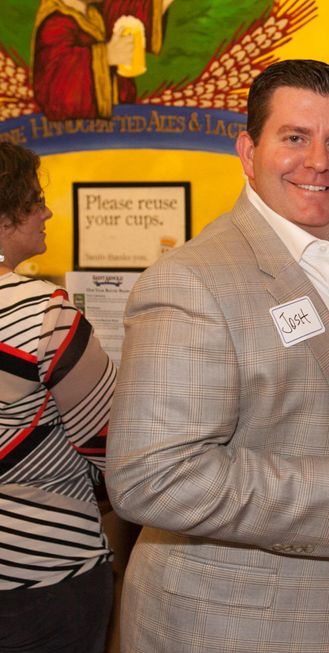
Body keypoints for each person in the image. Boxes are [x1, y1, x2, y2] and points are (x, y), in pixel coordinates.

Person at [106, 59, 329, 652]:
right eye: (294, 138)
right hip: (221, 626)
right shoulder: (192, 281)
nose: (317, 162)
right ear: (248, 151)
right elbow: (147, 477)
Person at [0, 142, 116, 652]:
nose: (47, 211)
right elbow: (113, 442)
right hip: (42, 574)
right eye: (34, 199)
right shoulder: (43, 313)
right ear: (4, 213)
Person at [32, 0, 174, 120]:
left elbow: (128, 9)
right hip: (74, 140)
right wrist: (107, 56)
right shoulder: (54, 23)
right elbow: (56, 87)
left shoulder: (92, 15)